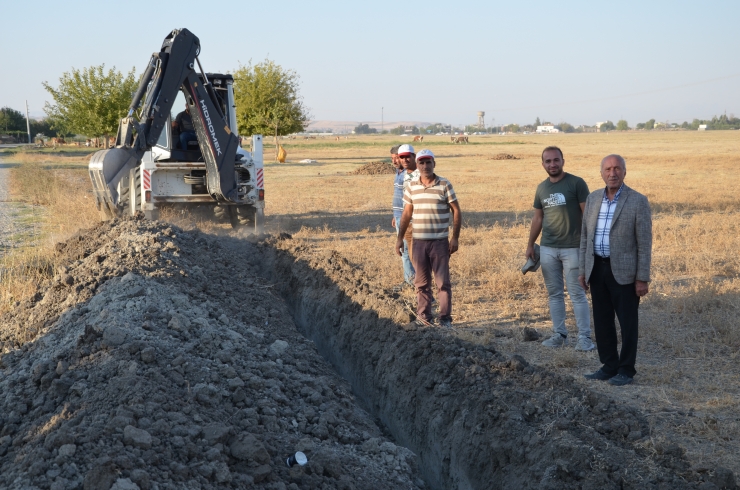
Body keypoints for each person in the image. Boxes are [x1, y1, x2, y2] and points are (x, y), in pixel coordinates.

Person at [579, 154, 652, 386]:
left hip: (624, 273)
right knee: (602, 321)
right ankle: (609, 365)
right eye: (608, 169)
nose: (613, 173)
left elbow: (644, 243)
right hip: (597, 269)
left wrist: (642, 278)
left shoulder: (637, 201)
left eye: (617, 168)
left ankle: (626, 370)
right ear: (601, 173)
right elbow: (584, 238)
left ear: (624, 172)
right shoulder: (592, 199)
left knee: (628, 323)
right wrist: (583, 270)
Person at [526, 146, 594, 351]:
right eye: (548, 161)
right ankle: (559, 334)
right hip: (548, 249)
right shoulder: (541, 188)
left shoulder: (577, 183)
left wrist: (589, 245)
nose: (552, 164)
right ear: (543, 164)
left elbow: (588, 214)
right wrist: (530, 244)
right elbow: (538, 218)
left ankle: (584, 338)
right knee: (554, 294)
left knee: (577, 294)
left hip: (573, 248)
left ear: (563, 161)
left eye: (556, 160)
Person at [396, 149, 461, 329]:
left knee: (442, 283)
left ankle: (445, 319)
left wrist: (455, 238)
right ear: (417, 165)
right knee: (421, 283)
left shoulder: (444, 185)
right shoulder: (412, 187)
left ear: (434, 164)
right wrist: (399, 238)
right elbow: (406, 214)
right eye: (422, 163)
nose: (425, 166)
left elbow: (456, 210)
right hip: (419, 243)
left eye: (428, 162)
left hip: (439, 242)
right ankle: (424, 317)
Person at [391, 145, 415, 288]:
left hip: (407, 218)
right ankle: (410, 280)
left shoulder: (410, 175)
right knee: (405, 252)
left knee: (408, 252)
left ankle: (413, 282)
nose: (395, 161)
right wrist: (395, 215)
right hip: (399, 216)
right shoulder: (398, 172)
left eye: (397, 157)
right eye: (392, 158)